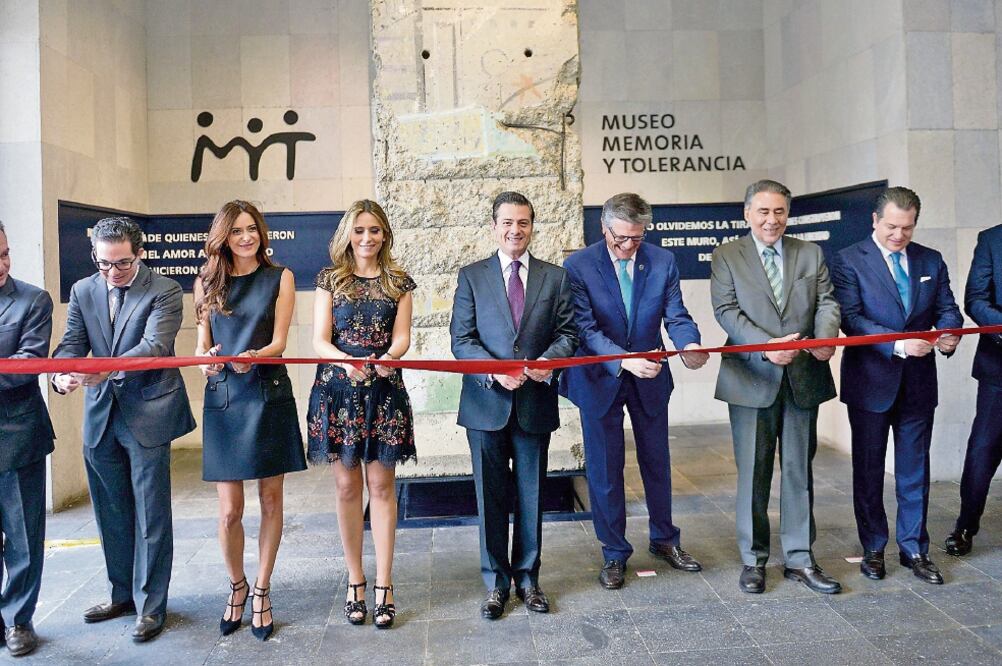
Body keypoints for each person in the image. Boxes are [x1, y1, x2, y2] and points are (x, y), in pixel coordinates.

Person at [52, 216, 196, 642]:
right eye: (104, 264)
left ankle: (151, 606)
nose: (113, 273)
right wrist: (63, 374)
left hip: (147, 412)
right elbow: (72, 342)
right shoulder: (84, 290)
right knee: (110, 512)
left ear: (140, 253)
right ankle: (122, 595)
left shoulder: (165, 290)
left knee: (151, 514)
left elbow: (153, 347)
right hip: (100, 415)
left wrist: (102, 367)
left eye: (122, 264)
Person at [559, 193, 709, 590]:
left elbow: (676, 315)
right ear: (604, 228)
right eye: (620, 238)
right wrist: (624, 360)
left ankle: (664, 540)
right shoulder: (578, 266)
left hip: (651, 377)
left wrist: (689, 345)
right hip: (600, 379)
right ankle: (614, 553)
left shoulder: (662, 261)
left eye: (636, 238)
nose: (628, 247)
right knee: (606, 471)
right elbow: (584, 329)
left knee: (657, 463)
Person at [710, 179, 842, 595]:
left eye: (780, 212)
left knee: (799, 472)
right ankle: (754, 560)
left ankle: (800, 558)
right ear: (747, 213)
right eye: (763, 212)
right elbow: (726, 311)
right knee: (754, 472)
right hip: (751, 377)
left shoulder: (810, 253)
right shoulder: (727, 255)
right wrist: (766, 348)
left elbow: (827, 302)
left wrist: (823, 339)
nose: (772, 220)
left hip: (804, 374)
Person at [450, 191, 577, 620]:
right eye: (507, 222)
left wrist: (548, 362)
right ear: (494, 227)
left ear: (531, 227)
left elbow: (568, 334)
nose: (514, 230)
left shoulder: (554, 277)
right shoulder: (472, 276)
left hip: (534, 403)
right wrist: (493, 371)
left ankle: (528, 579)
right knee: (490, 498)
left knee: (531, 494)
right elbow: (461, 341)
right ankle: (495, 584)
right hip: (486, 404)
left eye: (522, 223)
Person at [832, 186, 962, 584]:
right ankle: (873, 547)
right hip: (871, 382)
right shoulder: (848, 260)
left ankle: (914, 549)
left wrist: (950, 332)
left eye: (906, 228)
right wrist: (898, 344)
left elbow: (948, 309)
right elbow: (851, 320)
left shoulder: (930, 259)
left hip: (919, 384)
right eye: (891, 226)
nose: (898, 235)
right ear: (875, 220)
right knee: (869, 471)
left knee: (914, 470)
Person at [194, 200, 306, 640]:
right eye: (236, 230)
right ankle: (236, 585)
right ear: (223, 237)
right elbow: (203, 343)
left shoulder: (281, 278)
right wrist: (206, 361)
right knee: (229, 512)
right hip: (224, 397)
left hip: (266, 392)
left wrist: (254, 357)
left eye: (252, 229)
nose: (246, 237)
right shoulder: (206, 281)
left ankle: (262, 588)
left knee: (272, 501)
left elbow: (279, 341)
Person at [307, 199, 416, 629]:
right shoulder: (330, 280)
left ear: (385, 234)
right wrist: (344, 362)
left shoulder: (399, 282)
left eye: (374, 230)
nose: (367, 238)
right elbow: (319, 339)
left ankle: (385, 584)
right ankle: (355, 580)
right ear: (347, 234)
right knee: (348, 487)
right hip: (338, 389)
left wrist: (389, 357)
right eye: (359, 230)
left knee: (382, 486)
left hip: (384, 390)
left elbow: (403, 337)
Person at [0, 222, 55, 657]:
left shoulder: (32, 300)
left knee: (22, 537)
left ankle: (20, 619)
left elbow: (28, 363)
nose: (2, 264)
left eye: (5, 253)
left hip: (18, 437)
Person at [947, 223, 1002, 556]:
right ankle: (966, 525)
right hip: (999, 366)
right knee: (985, 448)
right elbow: (976, 300)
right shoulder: (992, 239)